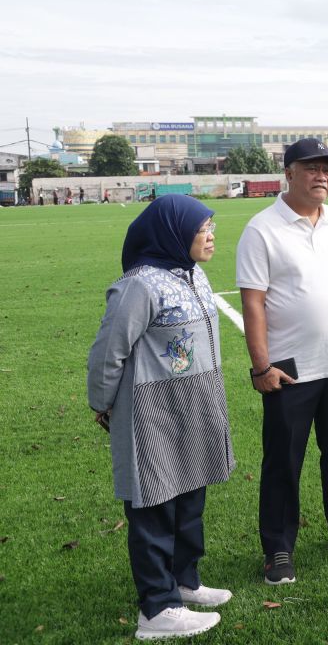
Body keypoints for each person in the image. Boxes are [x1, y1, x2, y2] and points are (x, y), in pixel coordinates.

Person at [236, 137, 328, 586]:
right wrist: (261, 366)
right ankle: (278, 549)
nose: (323, 176)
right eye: (312, 168)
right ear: (289, 173)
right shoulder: (261, 229)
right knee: (283, 460)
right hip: (288, 367)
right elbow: (253, 302)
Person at [87, 195, 234, 639]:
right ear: (172, 233)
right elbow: (108, 351)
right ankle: (156, 609)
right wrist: (102, 403)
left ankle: (184, 582)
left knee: (190, 502)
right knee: (153, 507)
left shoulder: (194, 274)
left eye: (211, 226)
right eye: (202, 228)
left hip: (198, 406)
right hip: (154, 413)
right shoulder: (140, 286)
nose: (211, 236)